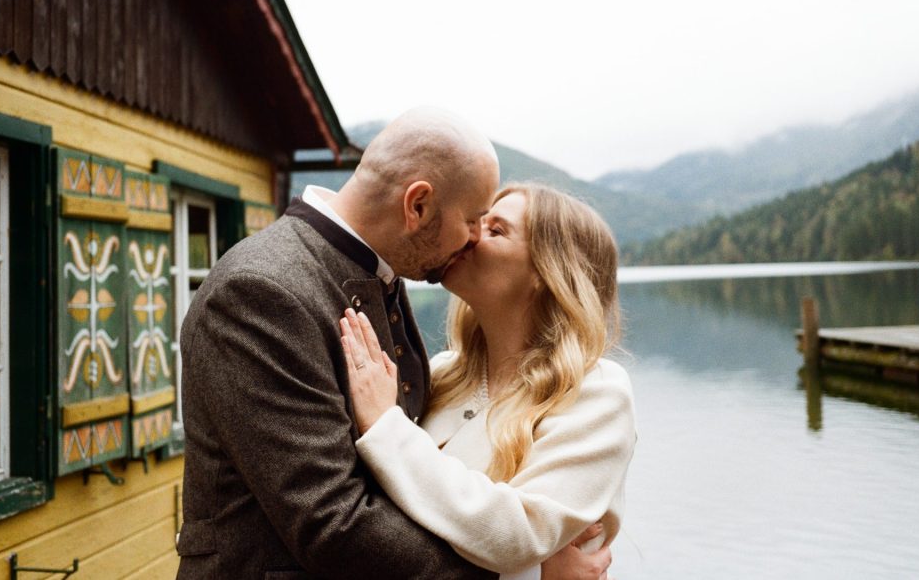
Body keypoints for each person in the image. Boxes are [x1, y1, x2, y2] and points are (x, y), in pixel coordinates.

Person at [176, 108, 609, 579]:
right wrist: (527, 576)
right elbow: (333, 520)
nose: (472, 240)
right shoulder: (262, 290)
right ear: (417, 206)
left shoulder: (379, 277)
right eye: (472, 219)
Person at [339, 183, 637, 580]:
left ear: (547, 275)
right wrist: (536, 573)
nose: (470, 236)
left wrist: (384, 427)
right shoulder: (442, 372)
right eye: (477, 222)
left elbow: (517, 536)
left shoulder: (596, 391)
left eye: (496, 230)